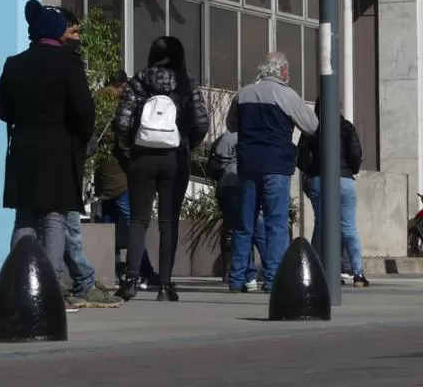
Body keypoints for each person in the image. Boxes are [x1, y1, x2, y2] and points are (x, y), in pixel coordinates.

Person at [0, 0, 95, 311]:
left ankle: (19, 287)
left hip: (23, 150)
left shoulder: (15, 63)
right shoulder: (69, 64)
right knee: (54, 218)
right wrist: (79, 136)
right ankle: (49, 292)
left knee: (24, 216)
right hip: (59, 150)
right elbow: (84, 111)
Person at [114, 36, 209, 302]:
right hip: (174, 157)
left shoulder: (138, 81)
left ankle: (131, 280)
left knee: (138, 220)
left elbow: (122, 121)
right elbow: (201, 123)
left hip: (142, 156)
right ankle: (166, 286)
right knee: (168, 222)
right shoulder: (187, 85)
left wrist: (130, 147)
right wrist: (188, 144)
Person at [227, 53, 318, 292]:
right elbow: (311, 125)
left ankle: (236, 280)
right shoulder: (287, 95)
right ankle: (274, 279)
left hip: (248, 166)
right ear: (283, 72)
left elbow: (231, 125)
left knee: (244, 224)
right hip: (276, 166)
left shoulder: (244, 93)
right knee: (276, 223)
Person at [55, 7, 122, 308]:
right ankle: (80, 281)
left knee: (49, 223)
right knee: (67, 225)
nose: (78, 37)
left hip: (62, 159)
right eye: (74, 31)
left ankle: (72, 281)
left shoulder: (36, 64)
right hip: (66, 159)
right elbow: (83, 114)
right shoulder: (68, 66)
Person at [95, 69, 159, 288]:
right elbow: (123, 138)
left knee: (108, 223)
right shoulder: (117, 106)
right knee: (135, 222)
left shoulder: (97, 102)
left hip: (102, 173)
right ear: (121, 85)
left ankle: (108, 270)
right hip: (119, 173)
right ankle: (145, 270)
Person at [298, 99, 369, 287]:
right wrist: (350, 170)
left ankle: (317, 272)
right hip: (344, 180)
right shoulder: (346, 126)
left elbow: (302, 157)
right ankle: (358, 274)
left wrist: (312, 169)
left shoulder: (311, 128)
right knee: (348, 228)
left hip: (319, 180)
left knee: (322, 226)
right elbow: (356, 154)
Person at [209, 130, 268, 292]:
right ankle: (271, 272)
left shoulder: (231, 135)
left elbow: (219, 160)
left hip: (231, 183)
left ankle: (245, 276)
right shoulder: (257, 134)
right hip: (252, 184)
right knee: (258, 228)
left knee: (240, 229)